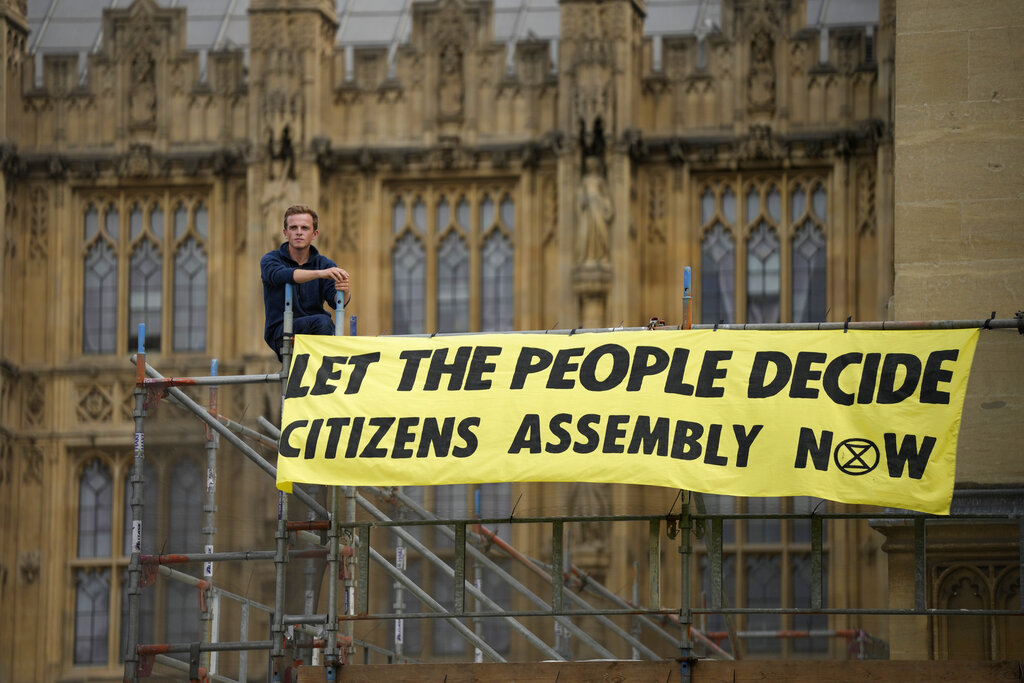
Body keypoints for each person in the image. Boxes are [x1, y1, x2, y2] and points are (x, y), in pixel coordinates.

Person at [261, 204, 350, 360]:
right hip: (282, 331)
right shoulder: (271, 260)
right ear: (285, 233)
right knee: (324, 322)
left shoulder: (326, 264)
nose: (299, 232)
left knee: (326, 325)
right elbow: (281, 276)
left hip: (317, 331)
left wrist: (345, 290)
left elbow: (337, 302)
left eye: (305, 228)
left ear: (314, 234)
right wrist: (319, 274)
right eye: (293, 227)